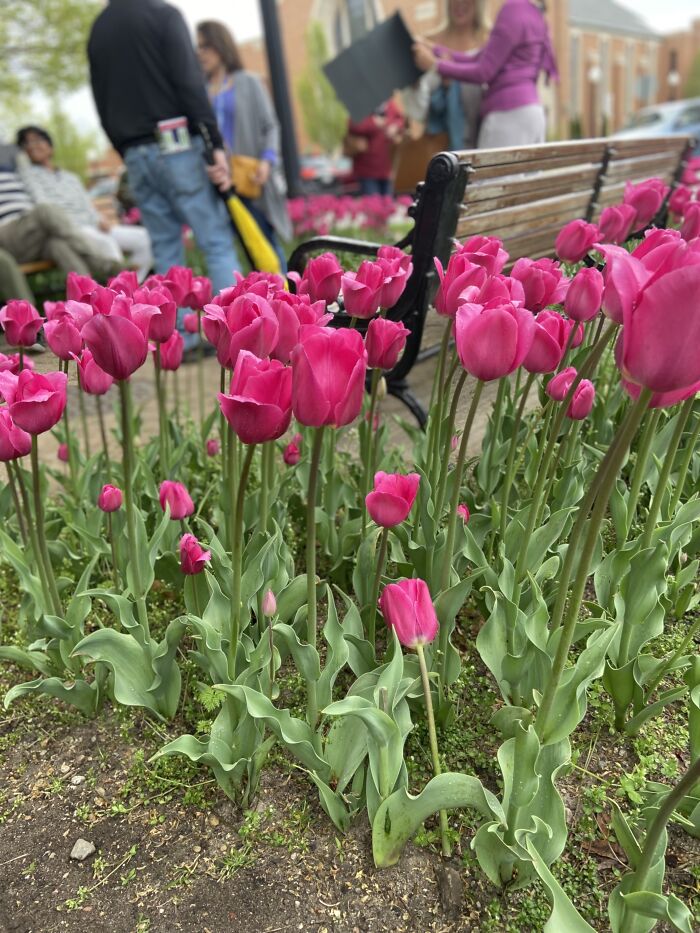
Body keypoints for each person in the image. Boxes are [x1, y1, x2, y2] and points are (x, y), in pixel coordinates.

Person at [87, 0, 239, 297]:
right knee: (214, 240)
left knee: (166, 249)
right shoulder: (163, 15)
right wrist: (214, 142)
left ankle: (179, 337)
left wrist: (125, 147)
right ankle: (233, 329)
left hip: (134, 152)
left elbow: (100, 99)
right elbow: (189, 82)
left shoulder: (99, 29)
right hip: (177, 143)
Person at [196, 20, 292, 271]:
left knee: (263, 242)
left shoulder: (247, 82)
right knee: (232, 250)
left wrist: (267, 160)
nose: (201, 53)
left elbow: (270, 125)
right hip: (217, 181)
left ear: (221, 45)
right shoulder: (199, 90)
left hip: (248, 177)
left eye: (206, 46)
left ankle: (286, 297)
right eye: (198, 48)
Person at [15, 126, 154, 282]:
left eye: (37, 140)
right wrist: (21, 158)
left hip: (94, 226)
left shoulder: (70, 177)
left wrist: (99, 219)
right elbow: (43, 206)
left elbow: (86, 204)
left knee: (145, 238)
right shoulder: (29, 176)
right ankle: (118, 294)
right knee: (107, 244)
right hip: (71, 230)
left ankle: (135, 287)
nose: (33, 146)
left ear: (50, 146)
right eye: (26, 143)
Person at [413, 0, 558, 149]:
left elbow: (483, 72)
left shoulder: (512, 9)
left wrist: (436, 66)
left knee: (494, 173)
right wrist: (434, 49)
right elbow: (479, 57)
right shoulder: (533, 12)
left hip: (506, 116)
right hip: (532, 113)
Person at [0, 159, 117, 281]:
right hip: (6, 234)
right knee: (45, 209)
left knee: (57, 245)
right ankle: (103, 263)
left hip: (30, 232)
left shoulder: (15, 170)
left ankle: (87, 293)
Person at [403, 0, 489, 151]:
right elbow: (417, 112)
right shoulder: (429, 42)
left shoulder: (492, 40)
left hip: (482, 144)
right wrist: (414, 82)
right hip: (439, 148)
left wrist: (448, 73)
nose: (459, 2)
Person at [345, 100, 405, 197]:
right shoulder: (361, 104)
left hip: (386, 167)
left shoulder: (389, 104)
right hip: (367, 168)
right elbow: (352, 124)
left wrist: (395, 126)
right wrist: (373, 122)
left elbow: (400, 119)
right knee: (373, 206)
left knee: (388, 204)